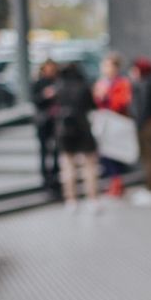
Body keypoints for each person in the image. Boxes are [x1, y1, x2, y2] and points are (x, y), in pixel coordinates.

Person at [53, 63, 99, 213]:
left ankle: (71, 200)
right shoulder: (84, 87)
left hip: (65, 131)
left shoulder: (58, 88)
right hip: (83, 128)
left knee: (67, 166)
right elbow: (92, 106)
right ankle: (92, 199)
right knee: (89, 166)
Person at [93, 52, 132, 197]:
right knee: (106, 155)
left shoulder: (122, 83)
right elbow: (95, 102)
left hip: (117, 122)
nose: (105, 68)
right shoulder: (101, 82)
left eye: (108, 65)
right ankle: (113, 182)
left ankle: (117, 183)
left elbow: (123, 102)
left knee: (116, 154)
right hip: (104, 123)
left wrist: (107, 96)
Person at [128, 56, 151, 207]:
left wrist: (139, 124)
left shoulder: (143, 85)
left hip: (146, 125)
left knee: (149, 158)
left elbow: (141, 108)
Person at [31, 59, 60, 192]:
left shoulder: (58, 82)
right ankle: (45, 178)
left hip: (56, 121)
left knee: (56, 150)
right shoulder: (38, 83)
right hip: (44, 121)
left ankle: (55, 176)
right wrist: (45, 95)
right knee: (44, 150)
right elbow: (35, 100)